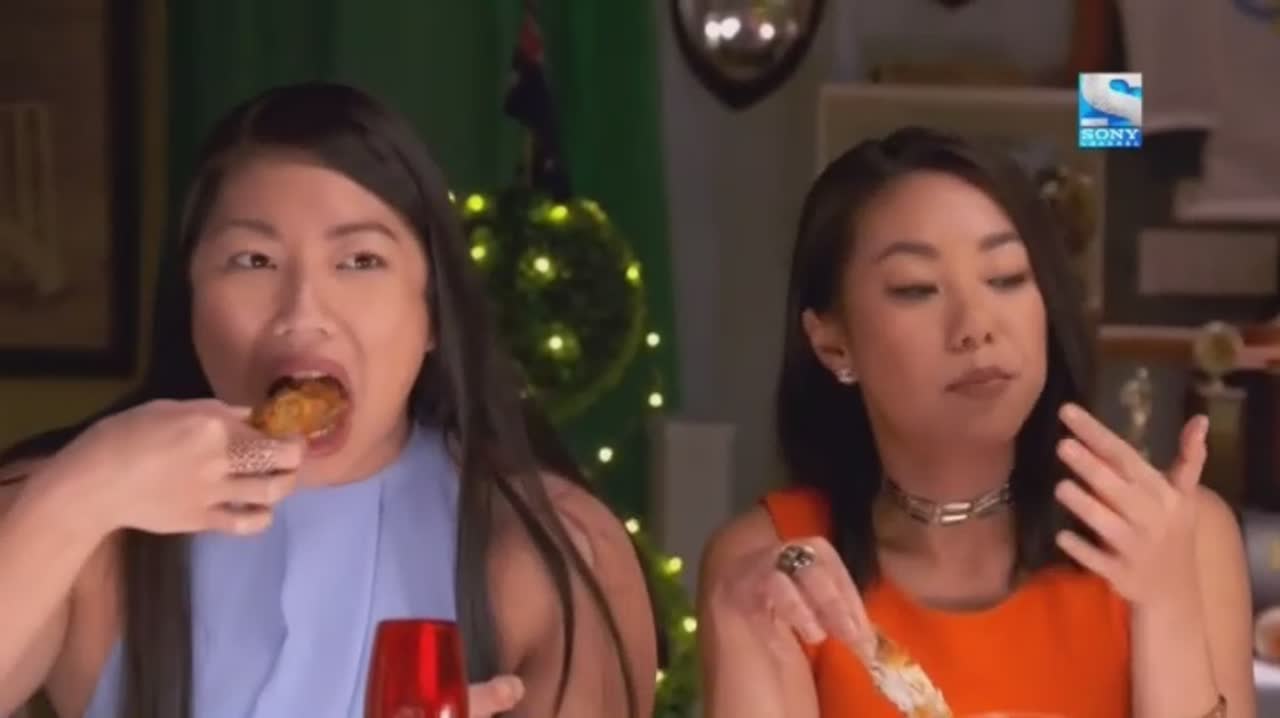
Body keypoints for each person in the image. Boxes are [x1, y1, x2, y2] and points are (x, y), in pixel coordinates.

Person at [0, 83, 655, 718]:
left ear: (433, 312)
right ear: (190, 302)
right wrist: (79, 495)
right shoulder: (69, 520)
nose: (303, 315)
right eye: (253, 260)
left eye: (360, 260)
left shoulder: (555, 549)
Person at [697, 127, 1254, 717]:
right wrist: (740, 628)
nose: (976, 325)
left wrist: (1167, 607)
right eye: (916, 289)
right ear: (833, 343)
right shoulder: (773, 569)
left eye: (1007, 278)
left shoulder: (1178, 535)